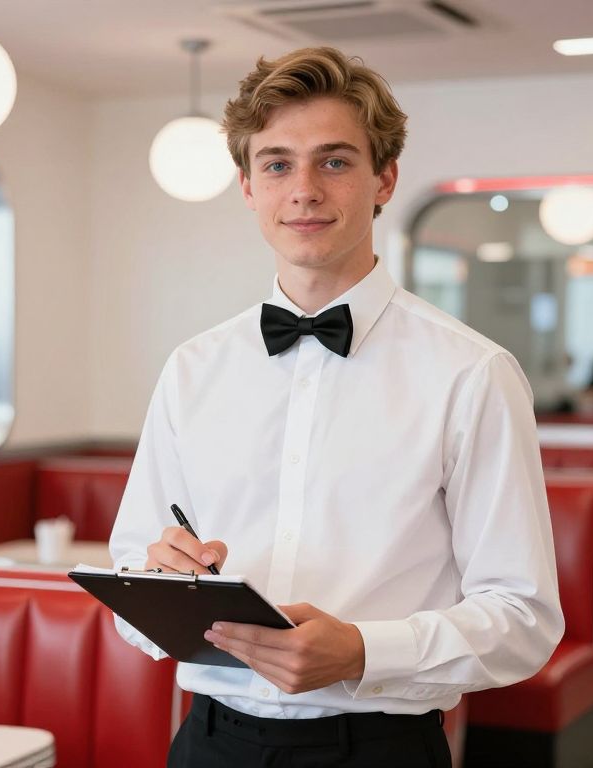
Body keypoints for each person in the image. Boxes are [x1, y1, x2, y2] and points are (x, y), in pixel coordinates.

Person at [110, 46, 564, 768]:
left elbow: (524, 620)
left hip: (379, 749)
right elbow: (131, 569)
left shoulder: (473, 373)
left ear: (384, 179)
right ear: (248, 187)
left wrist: (362, 650)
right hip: (208, 743)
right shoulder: (192, 369)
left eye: (335, 161)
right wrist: (163, 583)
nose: (304, 190)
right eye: (277, 164)